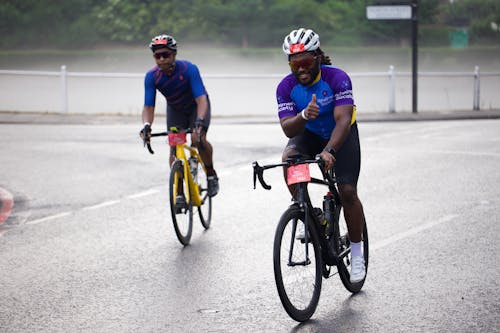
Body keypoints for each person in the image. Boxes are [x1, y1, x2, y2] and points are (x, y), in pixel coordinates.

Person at [276, 28, 366, 283]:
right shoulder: (286, 87)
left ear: (317, 57)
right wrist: (303, 115)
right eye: (294, 64)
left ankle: (357, 252)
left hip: (341, 134)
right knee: (290, 158)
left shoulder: (337, 78)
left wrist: (329, 151)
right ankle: (308, 212)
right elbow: (287, 129)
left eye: (305, 62)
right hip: (311, 133)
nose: (300, 69)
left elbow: (343, 119)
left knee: (347, 191)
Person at [140, 34, 219, 197]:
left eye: (165, 55)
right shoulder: (151, 77)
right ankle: (180, 192)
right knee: (175, 150)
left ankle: (211, 174)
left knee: (198, 139)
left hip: (197, 107)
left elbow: (201, 99)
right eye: (157, 56)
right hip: (176, 110)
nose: (161, 59)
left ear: (174, 54)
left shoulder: (189, 69)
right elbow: (148, 106)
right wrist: (147, 126)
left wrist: (199, 122)